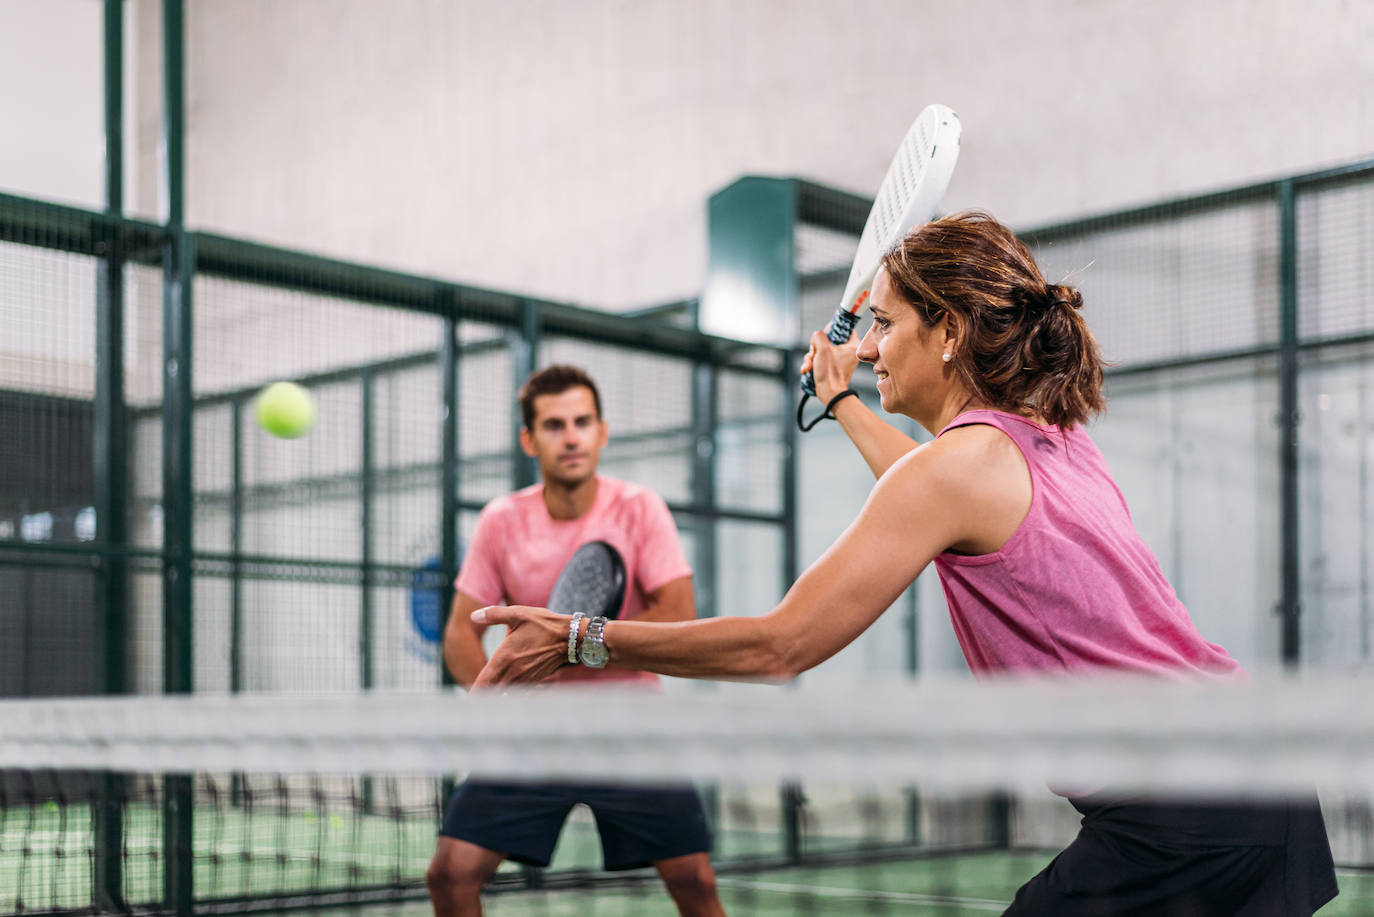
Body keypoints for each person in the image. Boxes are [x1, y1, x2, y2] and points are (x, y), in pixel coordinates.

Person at [471, 213, 1339, 916]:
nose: (873, 342)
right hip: (1257, 777)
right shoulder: (1049, 439)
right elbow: (925, 491)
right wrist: (843, 396)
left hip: (1181, 814)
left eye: (885, 322)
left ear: (951, 331)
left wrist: (583, 638)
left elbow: (782, 645)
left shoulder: (957, 469)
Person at [425, 365, 724, 917]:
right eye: (555, 424)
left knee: (696, 884)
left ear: (602, 432)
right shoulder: (501, 521)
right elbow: (461, 635)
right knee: (450, 874)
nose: (571, 436)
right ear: (529, 438)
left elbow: (678, 613)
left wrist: (569, 646)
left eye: (583, 422)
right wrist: (497, 700)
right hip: (535, 738)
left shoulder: (638, 509)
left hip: (631, 730)